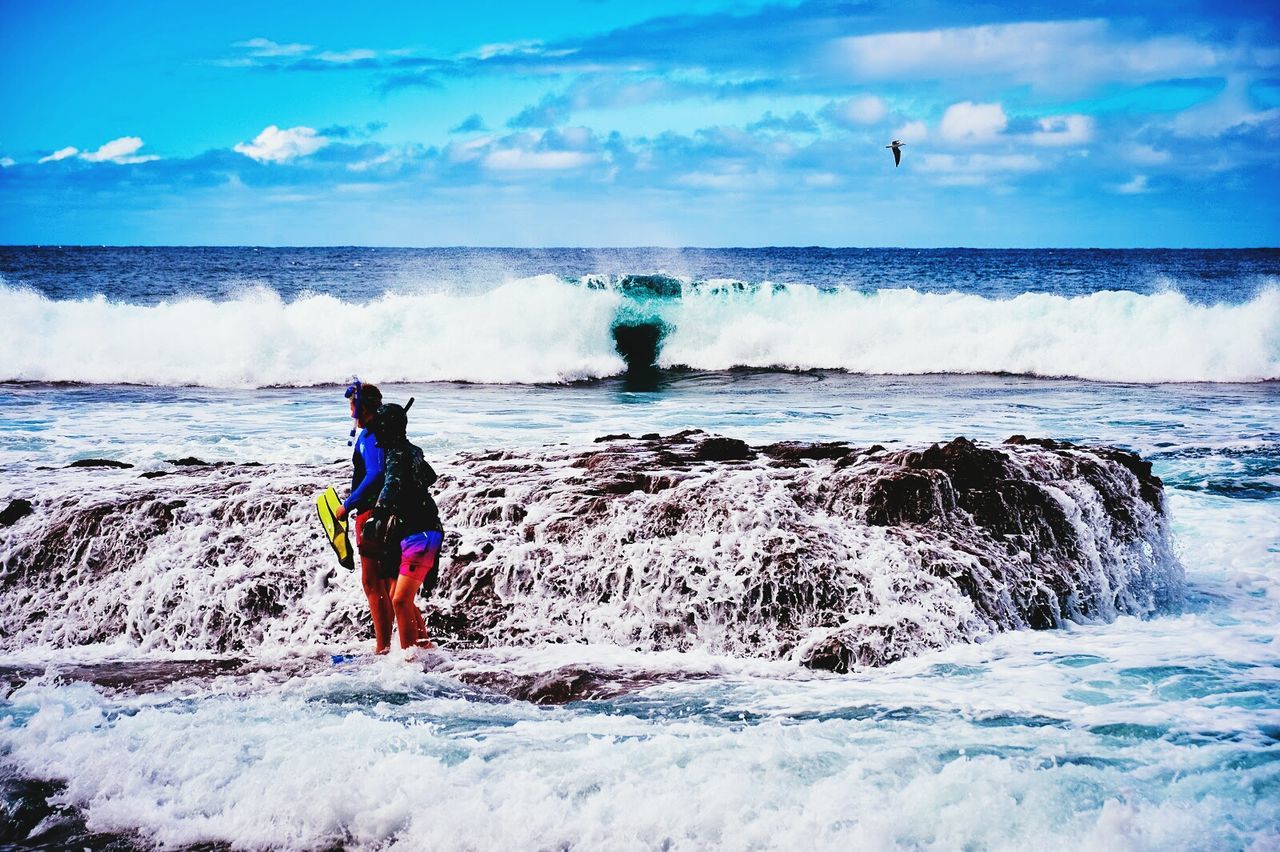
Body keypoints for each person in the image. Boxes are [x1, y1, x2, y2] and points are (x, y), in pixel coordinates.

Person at [367, 400, 445, 651]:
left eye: (378, 426)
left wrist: (376, 515)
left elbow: (391, 485)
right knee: (401, 599)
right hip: (421, 529)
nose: (374, 431)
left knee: (400, 600)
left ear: (386, 429)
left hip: (420, 532)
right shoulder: (412, 450)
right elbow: (430, 476)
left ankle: (410, 663)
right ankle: (424, 649)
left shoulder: (397, 454)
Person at [332, 381, 396, 654]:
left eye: (351, 407)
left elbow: (375, 474)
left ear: (362, 407)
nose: (350, 414)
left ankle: (382, 648)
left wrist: (348, 504)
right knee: (387, 581)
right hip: (390, 511)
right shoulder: (386, 432)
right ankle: (398, 644)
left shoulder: (370, 437)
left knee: (373, 583)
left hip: (371, 514)